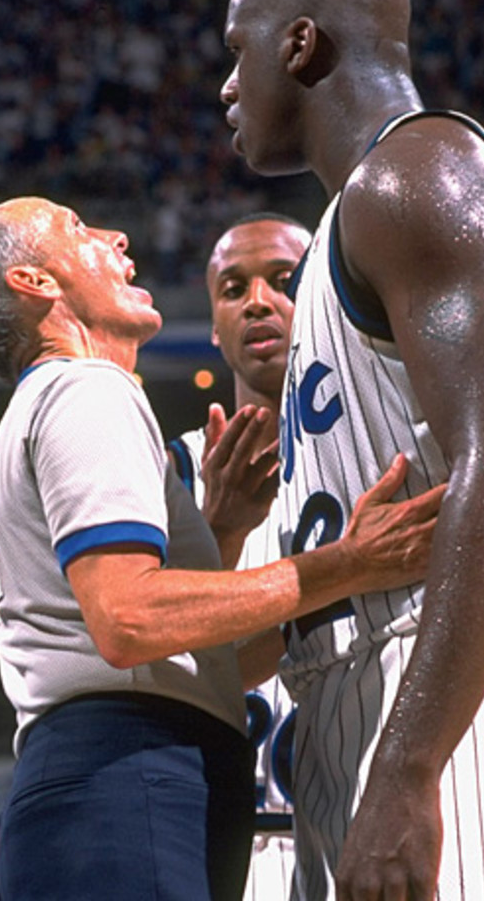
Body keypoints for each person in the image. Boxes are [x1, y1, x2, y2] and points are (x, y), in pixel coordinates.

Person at [220, 0, 484, 901]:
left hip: (470, 682)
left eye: (237, 54)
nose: (226, 90)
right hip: (368, 686)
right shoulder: (338, 235)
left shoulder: (417, 172)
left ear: (301, 44)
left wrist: (408, 769)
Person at [0, 195, 444, 901]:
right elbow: (130, 619)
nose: (116, 233)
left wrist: (220, 535)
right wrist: (351, 562)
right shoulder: (85, 389)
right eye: (80, 229)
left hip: (109, 778)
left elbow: (197, 659)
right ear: (36, 282)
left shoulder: (46, 404)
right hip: (125, 774)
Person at [167, 213, 314, 901]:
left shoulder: (390, 454)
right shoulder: (166, 470)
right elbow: (148, 660)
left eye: (285, 282)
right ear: (215, 328)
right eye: (234, 289)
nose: (259, 300)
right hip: (218, 848)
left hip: (355, 831)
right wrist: (215, 531)